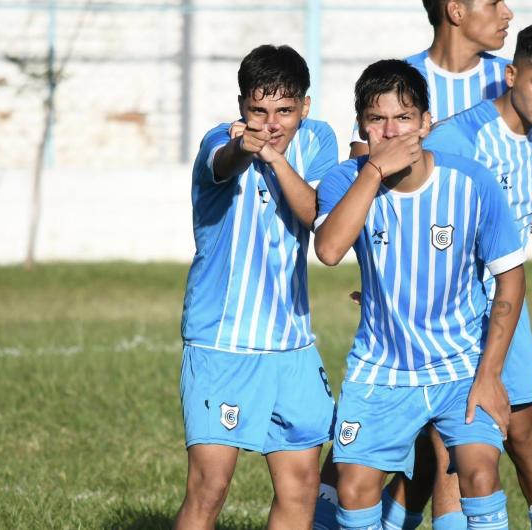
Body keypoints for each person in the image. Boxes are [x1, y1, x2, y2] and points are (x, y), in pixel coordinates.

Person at [316, 1, 532, 528]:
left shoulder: (523, 79)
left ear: (423, 120)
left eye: (405, 120)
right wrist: (385, 274)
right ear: (456, 9)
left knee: (508, 433)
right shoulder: (400, 80)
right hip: (408, 311)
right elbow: (361, 200)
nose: (507, 12)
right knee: (404, 456)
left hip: (489, 301)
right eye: (492, 1)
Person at [314, 58, 526, 530]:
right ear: (362, 126)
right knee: (351, 487)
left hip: (460, 368)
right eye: (377, 119)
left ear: (426, 123)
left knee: (479, 471)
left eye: (404, 118)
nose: (391, 132)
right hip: (381, 371)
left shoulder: (472, 182)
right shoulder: (344, 181)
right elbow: (328, 250)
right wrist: (372, 174)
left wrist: (489, 374)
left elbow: (511, 276)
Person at [423, 22, 532, 528]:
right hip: (448, 306)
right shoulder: (459, 136)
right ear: (512, 75)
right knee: (456, 440)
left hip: (507, 302)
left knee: (522, 432)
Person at [174, 44, 337, 530]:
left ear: (304, 107)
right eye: (258, 110)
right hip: (222, 344)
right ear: (242, 105)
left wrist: (274, 157)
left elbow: (315, 216)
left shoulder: (319, 141)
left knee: (302, 487)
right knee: (210, 488)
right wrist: (245, 150)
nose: (271, 123)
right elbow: (222, 162)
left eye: (285, 110)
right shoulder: (219, 143)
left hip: (292, 348)